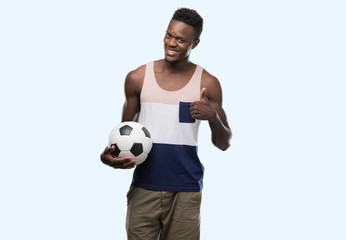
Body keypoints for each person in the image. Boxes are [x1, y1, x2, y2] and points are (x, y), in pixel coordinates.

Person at [100, 7, 232, 240]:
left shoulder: (208, 83)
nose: (171, 43)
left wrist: (212, 117)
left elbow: (224, 143)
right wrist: (107, 157)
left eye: (181, 39)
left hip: (186, 190)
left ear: (196, 43)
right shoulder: (137, 77)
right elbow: (124, 136)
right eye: (168, 35)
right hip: (144, 187)